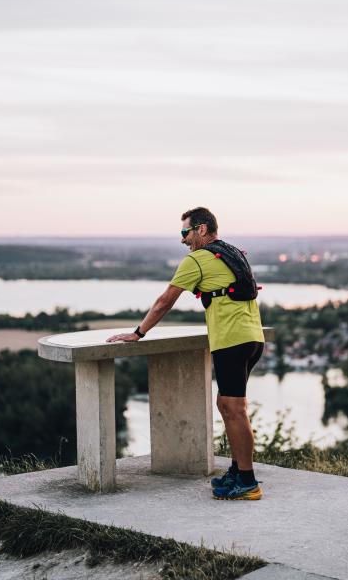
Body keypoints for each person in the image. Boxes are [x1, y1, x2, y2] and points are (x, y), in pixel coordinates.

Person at [106, 207, 265, 500]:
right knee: (228, 405)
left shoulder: (198, 259)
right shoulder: (231, 252)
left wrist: (138, 333)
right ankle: (237, 471)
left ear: (201, 229)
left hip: (232, 340)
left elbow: (164, 301)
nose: (182, 240)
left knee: (234, 408)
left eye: (185, 232)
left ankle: (248, 482)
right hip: (252, 337)